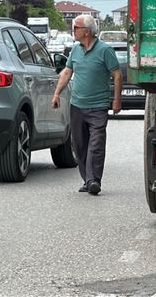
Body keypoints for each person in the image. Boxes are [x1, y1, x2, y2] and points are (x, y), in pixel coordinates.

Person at [52, 14, 122, 195]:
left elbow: (117, 75)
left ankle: (94, 180)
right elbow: (67, 72)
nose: (73, 30)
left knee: (96, 145)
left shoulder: (105, 50)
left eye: (76, 28)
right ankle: (87, 179)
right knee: (80, 145)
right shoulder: (75, 50)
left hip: (98, 106)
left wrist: (116, 100)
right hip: (77, 105)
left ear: (88, 31)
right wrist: (57, 93)